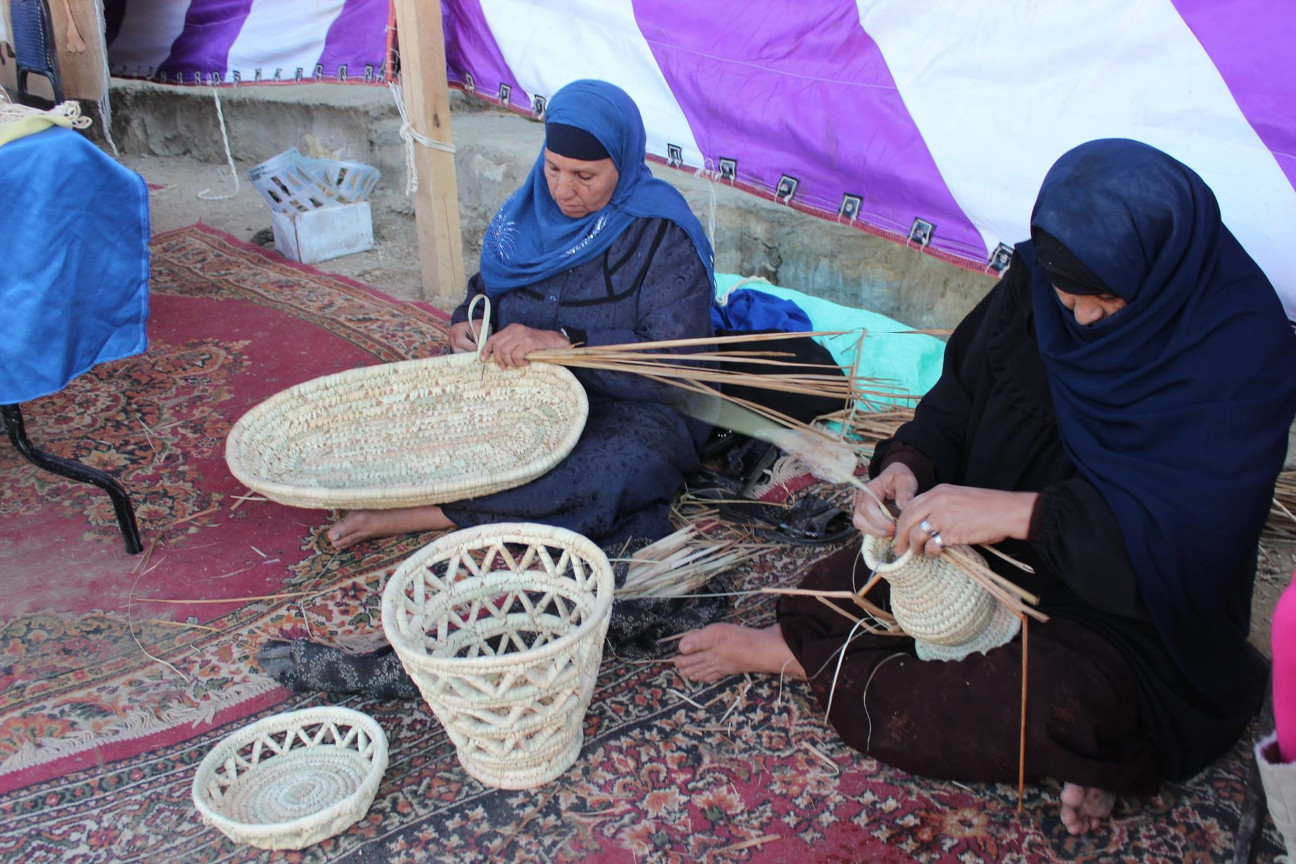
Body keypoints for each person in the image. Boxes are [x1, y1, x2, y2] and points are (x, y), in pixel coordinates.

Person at [674, 139, 1296, 835]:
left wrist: (1017, 513)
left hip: (1131, 613)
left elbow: (1194, 539)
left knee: (1046, 707)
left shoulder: (1239, 355)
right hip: (986, 553)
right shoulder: (1038, 292)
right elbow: (956, 401)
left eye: (1106, 304)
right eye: (1068, 302)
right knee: (846, 580)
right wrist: (908, 467)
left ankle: (802, 661)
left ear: (1158, 274)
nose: (1081, 321)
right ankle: (1085, 757)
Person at [326, 79, 715, 551]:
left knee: (618, 469)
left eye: (584, 177)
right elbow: (487, 288)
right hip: (524, 391)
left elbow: (675, 362)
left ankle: (434, 513)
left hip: (626, 408)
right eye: (553, 168)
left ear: (625, 162)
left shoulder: (663, 235)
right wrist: (467, 322)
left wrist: (566, 342)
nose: (562, 190)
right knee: (413, 411)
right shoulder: (528, 211)